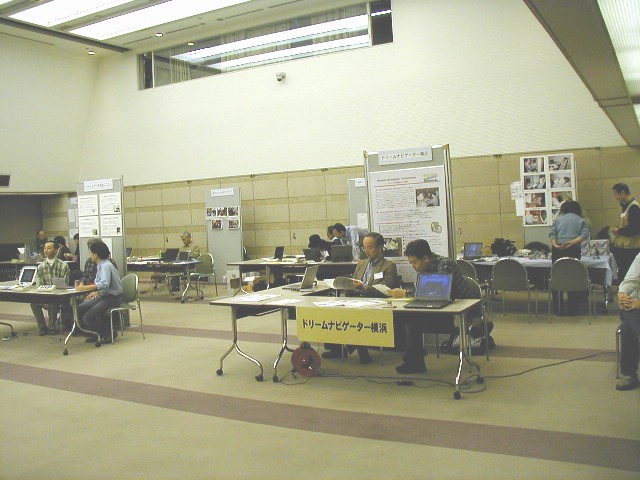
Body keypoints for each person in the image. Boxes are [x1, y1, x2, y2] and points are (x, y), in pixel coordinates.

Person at [389, 239, 472, 374]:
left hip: (460, 312)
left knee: (412, 320)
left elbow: (437, 292)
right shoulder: (424, 267)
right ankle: (415, 359)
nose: (413, 266)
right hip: (440, 308)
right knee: (406, 317)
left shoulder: (445, 264)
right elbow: (425, 293)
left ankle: (414, 360)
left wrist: (406, 293)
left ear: (426, 258)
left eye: (414, 262)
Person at [322, 232, 399, 364]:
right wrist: (345, 286)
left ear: (380, 248)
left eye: (369, 247)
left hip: (375, 302)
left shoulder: (389, 266)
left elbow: (386, 290)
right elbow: (353, 282)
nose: (366, 251)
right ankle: (340, 348)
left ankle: (353, 349)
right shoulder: (362, 263)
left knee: (356, 316)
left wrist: (364, 288)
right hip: (355, 300)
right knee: (331, 311)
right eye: (364, 248)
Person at [75, 241, 123, 343]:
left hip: (112, 298)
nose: (90, 255)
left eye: (91, 253)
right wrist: (97, 293)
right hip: (105, 295)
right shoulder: (101, 265)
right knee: (81, 308)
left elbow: (104, 284)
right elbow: (104, 286)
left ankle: (108, 333)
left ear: (95, 254)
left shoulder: (105, 266)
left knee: (87, 317)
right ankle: (96, 333)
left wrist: (85, 288)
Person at [549, 201, 590, 315]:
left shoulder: (558, 220)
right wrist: (572, 242)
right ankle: (573, 308)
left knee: (557, 277)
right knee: (573, 277)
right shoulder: (581, 220)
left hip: (558, 249)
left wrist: (555, 244)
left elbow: (552, 233)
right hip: (573, 249)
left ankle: (558, 309)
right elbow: (584, 234)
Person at [30, 241, 70, 335]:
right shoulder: (41, 266)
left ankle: (51, 327)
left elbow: (65, 284)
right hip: (45, 294)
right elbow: (40, 284)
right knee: (33, 302)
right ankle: (42, 327)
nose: (46, 250)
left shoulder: (63, 265)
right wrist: (44, 299)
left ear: (55, 250)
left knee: (53, 302)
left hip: (58, 295)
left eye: (49, 248)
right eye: (45, 248)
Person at [615, 252, 640, 391]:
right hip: (634, 307)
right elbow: (630, 281)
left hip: (637, 306)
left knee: (626, 327)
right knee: (628, 307)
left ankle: (629, 374)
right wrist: (622, 295)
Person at [611, 183, 640, 283]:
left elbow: (635, 228)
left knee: (628, 277)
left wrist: (619, 231)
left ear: (623, 192)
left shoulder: (634, 208)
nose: (615, 197)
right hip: (625, 249)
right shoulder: (626, 207)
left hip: (631, 250)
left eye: (616, 194)